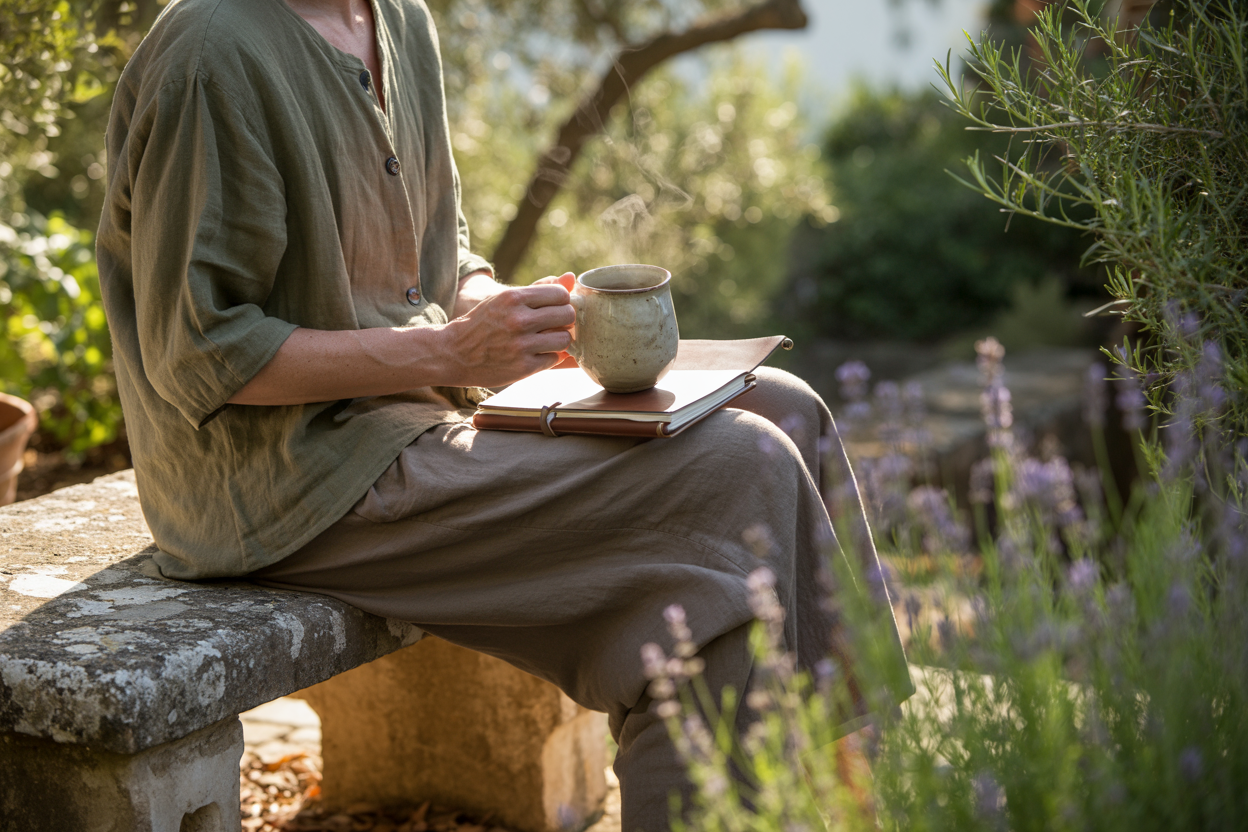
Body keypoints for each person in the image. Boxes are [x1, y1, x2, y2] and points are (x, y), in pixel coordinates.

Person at [96, 0, 910, 828]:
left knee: (787, 409)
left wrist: (511, 316)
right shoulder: (211, 53)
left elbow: (441, 265)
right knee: (737, 471)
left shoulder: (398, 18)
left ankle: (850, 796)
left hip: (416, 414)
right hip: (286, 477)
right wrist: (449, 354)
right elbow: (200, 355)